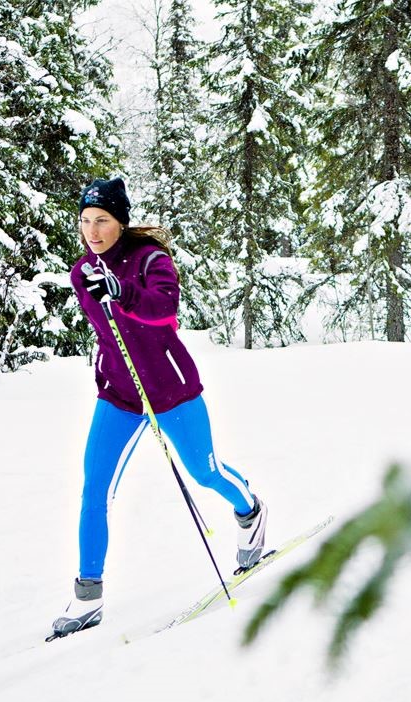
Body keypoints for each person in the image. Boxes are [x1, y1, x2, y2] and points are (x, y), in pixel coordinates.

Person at [52, 177, 267, 638]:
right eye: (85, 221)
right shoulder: (80, 272)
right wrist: (100, 291)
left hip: (172, 389)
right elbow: (107, 329)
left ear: (120, 221)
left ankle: (249, 510)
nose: (92, 230)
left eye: (102, 220)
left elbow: (163, 309)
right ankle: (88, 596)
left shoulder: (152, 259)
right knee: (95, 488)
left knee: (205, 472)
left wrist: (122, 291)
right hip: (121, 394)